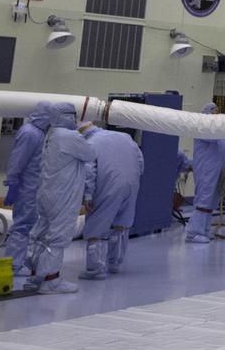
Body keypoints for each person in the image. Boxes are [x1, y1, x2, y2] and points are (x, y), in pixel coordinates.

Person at [25, 102, 93, 294]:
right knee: (57, 238)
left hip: (46, 193)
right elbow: (90, 154)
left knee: (40, 235)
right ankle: (51, 281)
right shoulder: (70, 136)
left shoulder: (51, 134)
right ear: (67, 116)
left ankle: (35, 276)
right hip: (63, 196)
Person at [79, 127, 144, 279]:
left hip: (108, 185)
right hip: (131, 184)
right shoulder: (126, 138)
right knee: (121, 225)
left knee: (96, 226)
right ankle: (115, 263)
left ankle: (95, 269)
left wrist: (87, 195)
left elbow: (89, 171)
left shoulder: (91, 142)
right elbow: (140, 163)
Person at [3, 103, 54, 278]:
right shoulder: (30, 133)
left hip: (33, 188)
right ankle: (13, 265)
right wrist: (12, 184)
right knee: (22, 225)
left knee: (29, 225)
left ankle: (19, 260)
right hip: (27, 188)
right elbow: (17, 160)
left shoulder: (39, 133)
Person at [186, 102, 225, 245]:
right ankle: (193, 233)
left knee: (212, 200)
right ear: (207, 112)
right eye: (214, 111)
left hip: (216, 170)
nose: (217, 114)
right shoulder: (202, 127)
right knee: (204, 199)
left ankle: (204, 230)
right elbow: (213, 136)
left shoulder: (216, 130)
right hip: (206, 170)